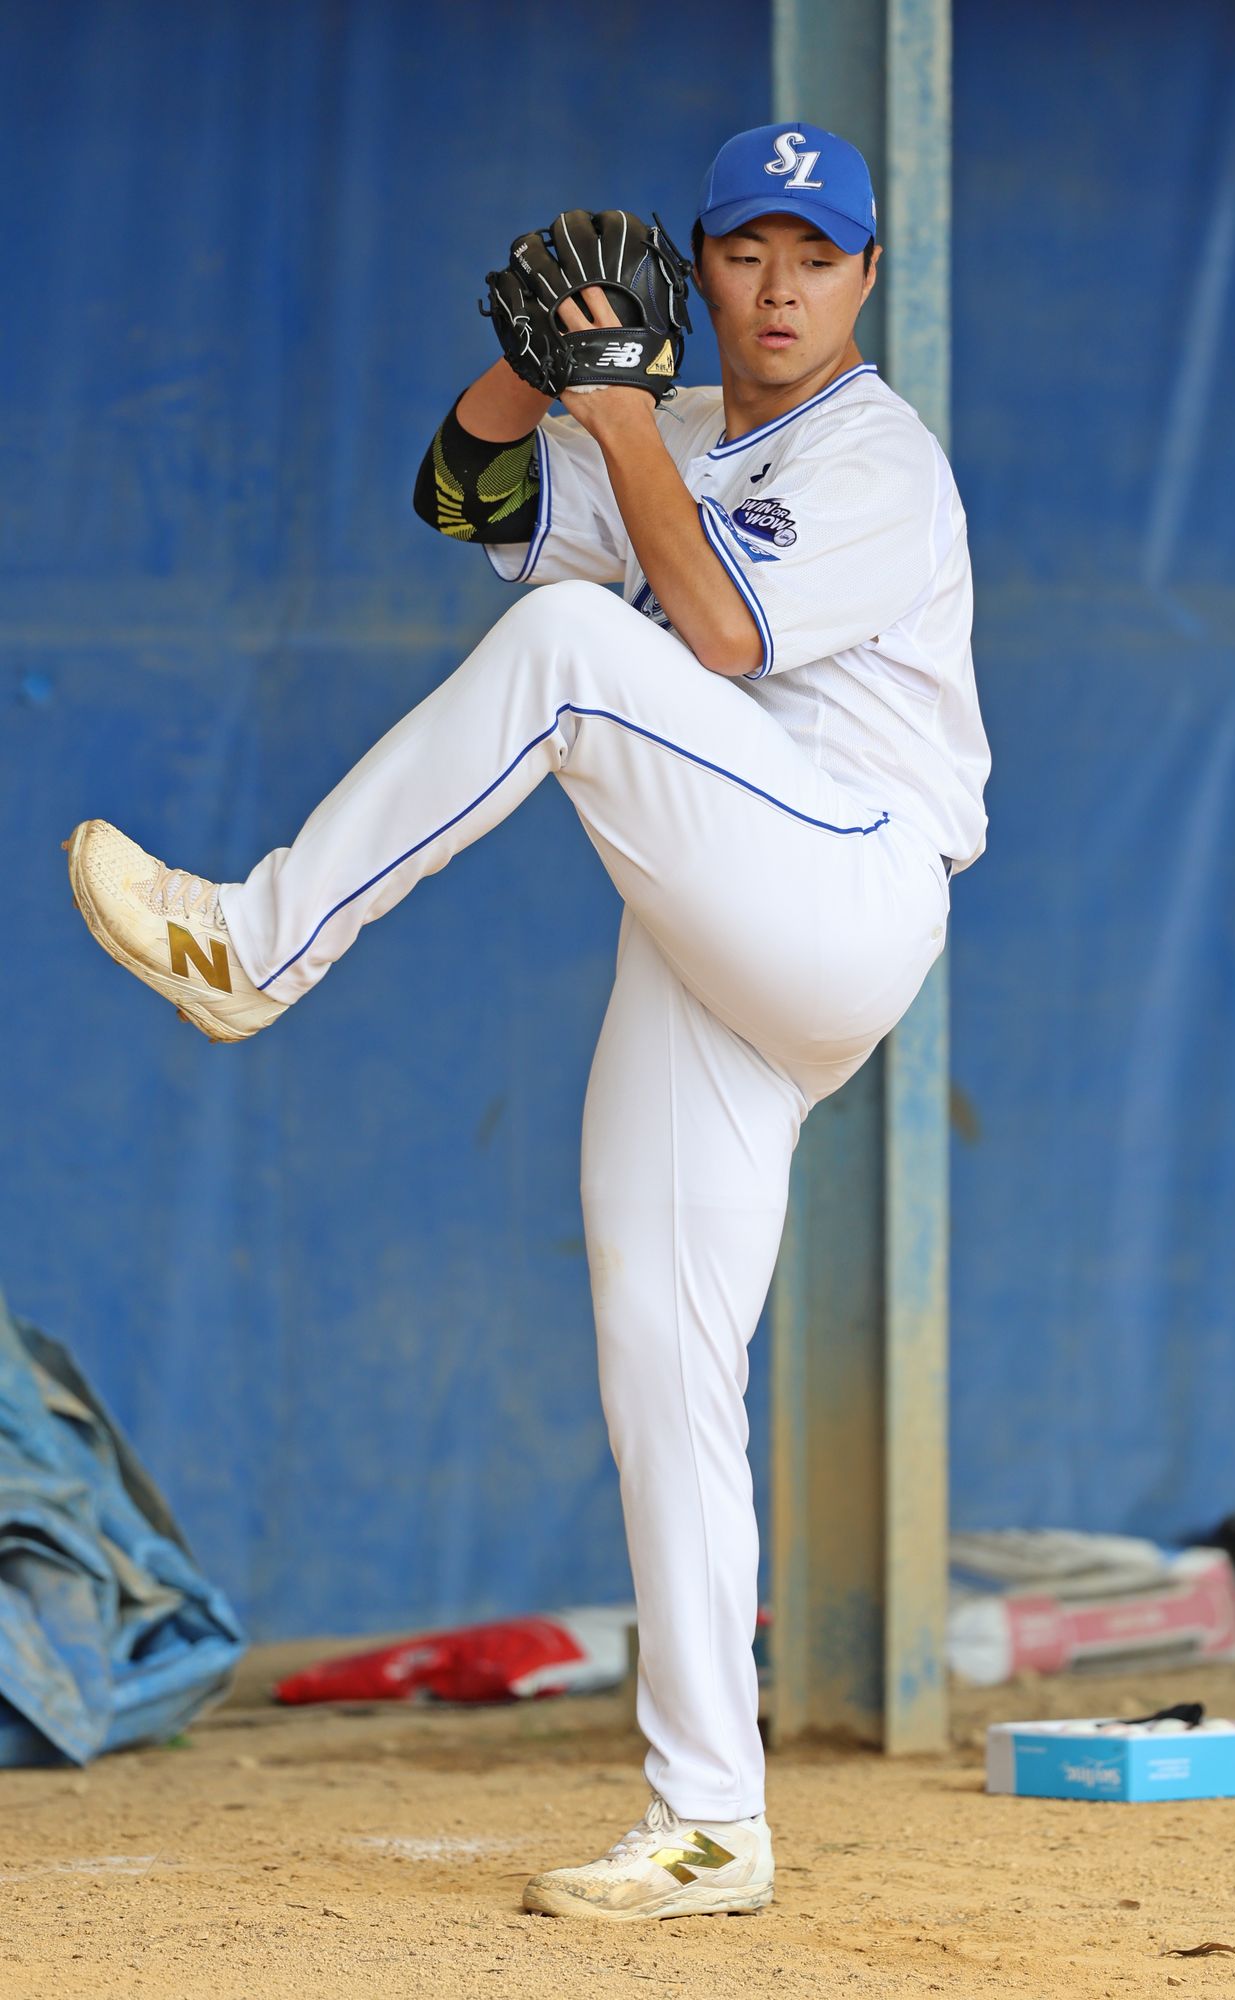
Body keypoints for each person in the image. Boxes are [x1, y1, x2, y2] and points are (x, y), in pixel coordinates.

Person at [65, 120, 990, 1922]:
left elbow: (715, 639)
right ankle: (712, 1819)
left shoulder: (882, 457)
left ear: (869, 278)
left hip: (847, 888)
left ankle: (257, 941)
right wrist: (531, 366)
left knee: (577, 652)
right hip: (711, 935)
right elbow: (464, 498)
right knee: (662, 1356)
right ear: (703, 266)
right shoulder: (677, 421)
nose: (781, 286)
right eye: (747, 250)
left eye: (818, 255)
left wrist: (620, 410)